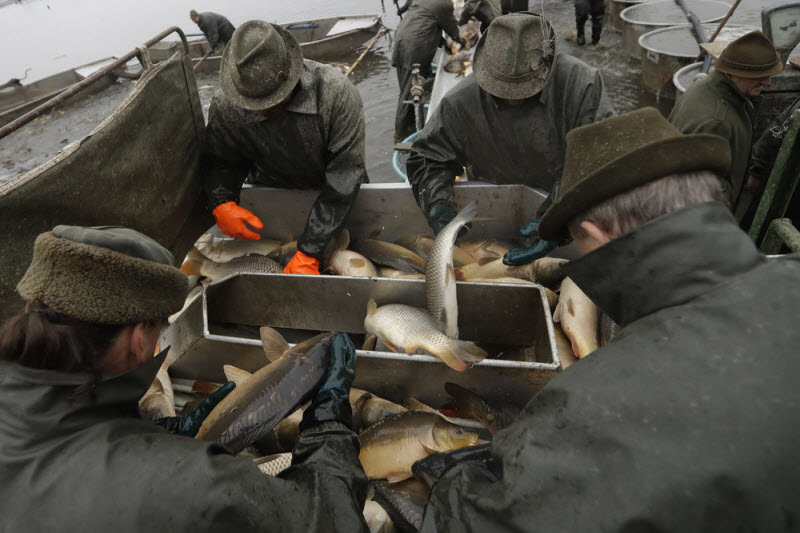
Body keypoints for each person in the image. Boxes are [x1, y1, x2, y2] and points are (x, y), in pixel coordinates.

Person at [412, 107, 800, 531]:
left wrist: (330, 437)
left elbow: (469, 523)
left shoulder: (593, 409)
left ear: (597, 235)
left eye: (579, 247)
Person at [0, 225, 369, 532]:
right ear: (138, 337)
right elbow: (327, 520)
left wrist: (157, 430)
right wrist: (329, 424)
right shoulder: (186, 484)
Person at [406, 12, 614, 260]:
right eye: (502, 89)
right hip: (493, 205)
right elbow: (428, 157)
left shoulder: (582, 85)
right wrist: (438, 201)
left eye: (526, 89)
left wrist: (563, 210)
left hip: (566, 204)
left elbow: (605, 157)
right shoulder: (460, 102)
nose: (513, 98)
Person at [203, 20, 368, 275]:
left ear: (291, 73)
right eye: (254, 104)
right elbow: (222, 162)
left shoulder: (337, 94)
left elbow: (345, 175)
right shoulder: (225, 106)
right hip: (272, 186)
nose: (266, 110)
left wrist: (311, 251)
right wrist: (221, 201)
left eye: (274, 100)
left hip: (339, 193)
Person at [669, 30, 783, 212]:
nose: (768, 81)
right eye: (758, 75)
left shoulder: (703, 85)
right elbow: (704, 191)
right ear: (730, 73)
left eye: (770, 74)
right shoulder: (717, 121)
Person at [392, 0, 465, 142]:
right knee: (407, 95)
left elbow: (428, 22)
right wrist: (459, 40)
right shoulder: (444, 4)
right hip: (414, 47)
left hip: (402, 40)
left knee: (406, 88)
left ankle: (411, 125)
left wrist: (444, 43)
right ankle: (400, 137)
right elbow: (451, 28)